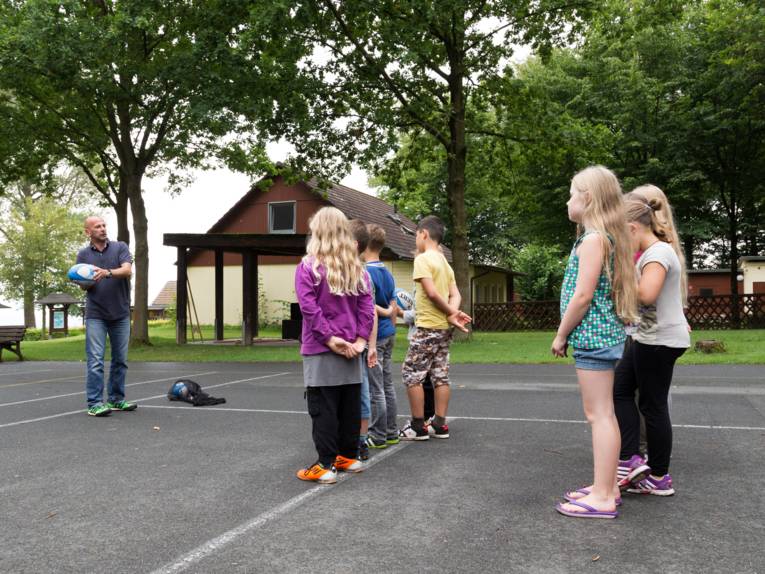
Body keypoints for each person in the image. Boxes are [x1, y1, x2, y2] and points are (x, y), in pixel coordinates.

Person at [552, 166, 638, 519]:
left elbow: (583, 295)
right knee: (605, 414)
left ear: (588, 199)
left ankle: (603, 495)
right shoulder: (603, 238)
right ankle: (607, 486)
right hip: (603, 337)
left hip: (592, 337)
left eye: (573, 193)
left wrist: (561, 333)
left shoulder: (592, 240)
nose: (568, 200)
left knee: (599, 415)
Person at [613, 191, 690, 496]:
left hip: (659, 341)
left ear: (633, 228)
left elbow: (646, 295)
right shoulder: (652, 253)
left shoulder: (658, 253)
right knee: (620, 389)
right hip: (647, 337)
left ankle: (659, 476)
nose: (622, 245)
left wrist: (621, 275)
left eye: (622, 236)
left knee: (652, 405)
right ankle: (631, 459)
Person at [295, 207, 375, 484]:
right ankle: (347, 455)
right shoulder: (357, 269)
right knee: (348, 404)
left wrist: (329, 339)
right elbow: (367, 309)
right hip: (352, 348)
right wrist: (361, 341)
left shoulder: (308, 267)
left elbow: (309, 308)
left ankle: (325, 464)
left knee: (323, 406)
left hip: (320, 348)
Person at [399, 215, 471, 441]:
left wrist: (451, 313)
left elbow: (430, 292)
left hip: (428, 326)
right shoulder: (444, 262)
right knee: (440, 375)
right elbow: (455, 294)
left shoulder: (422, 260)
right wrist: (452, 312)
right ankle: (439, 424)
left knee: (412, 374)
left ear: (423, 234)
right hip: (443, 329)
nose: (415, 241)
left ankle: (418, 426)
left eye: (415, 236)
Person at [76, 216, 136, 417]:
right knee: (95, 361)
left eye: (104, 225)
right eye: (97, 227)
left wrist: (106, 272)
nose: (102, 229)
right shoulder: (83, 255)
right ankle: (94, 403)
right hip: (96, 315)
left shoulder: (120, 247)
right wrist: (85, 280)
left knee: (121, 360)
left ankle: (116, 400)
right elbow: (84, 286)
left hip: (120, 313)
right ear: (88, 232)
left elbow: (127, 270)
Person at [363, 224, 399, 449]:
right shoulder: (387, 272)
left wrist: (382, 311)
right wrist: (388, 314)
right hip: (389, 332)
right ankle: (391, 431)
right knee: (387, 384)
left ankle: (377, 435)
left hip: (375, 336)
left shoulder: (367, 272)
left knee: (375, 387)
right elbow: (393, 305)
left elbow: (366, 304)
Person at [348, 219, 378, 461]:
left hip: (353, 343)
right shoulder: (362, 273)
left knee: (358, 393)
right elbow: (372, 314)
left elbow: (370, 314)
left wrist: (369, 344)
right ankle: (358, 440)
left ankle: (358, 441)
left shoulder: (359, 274)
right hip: (358, 342)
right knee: (361, 392)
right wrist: (371, 344)